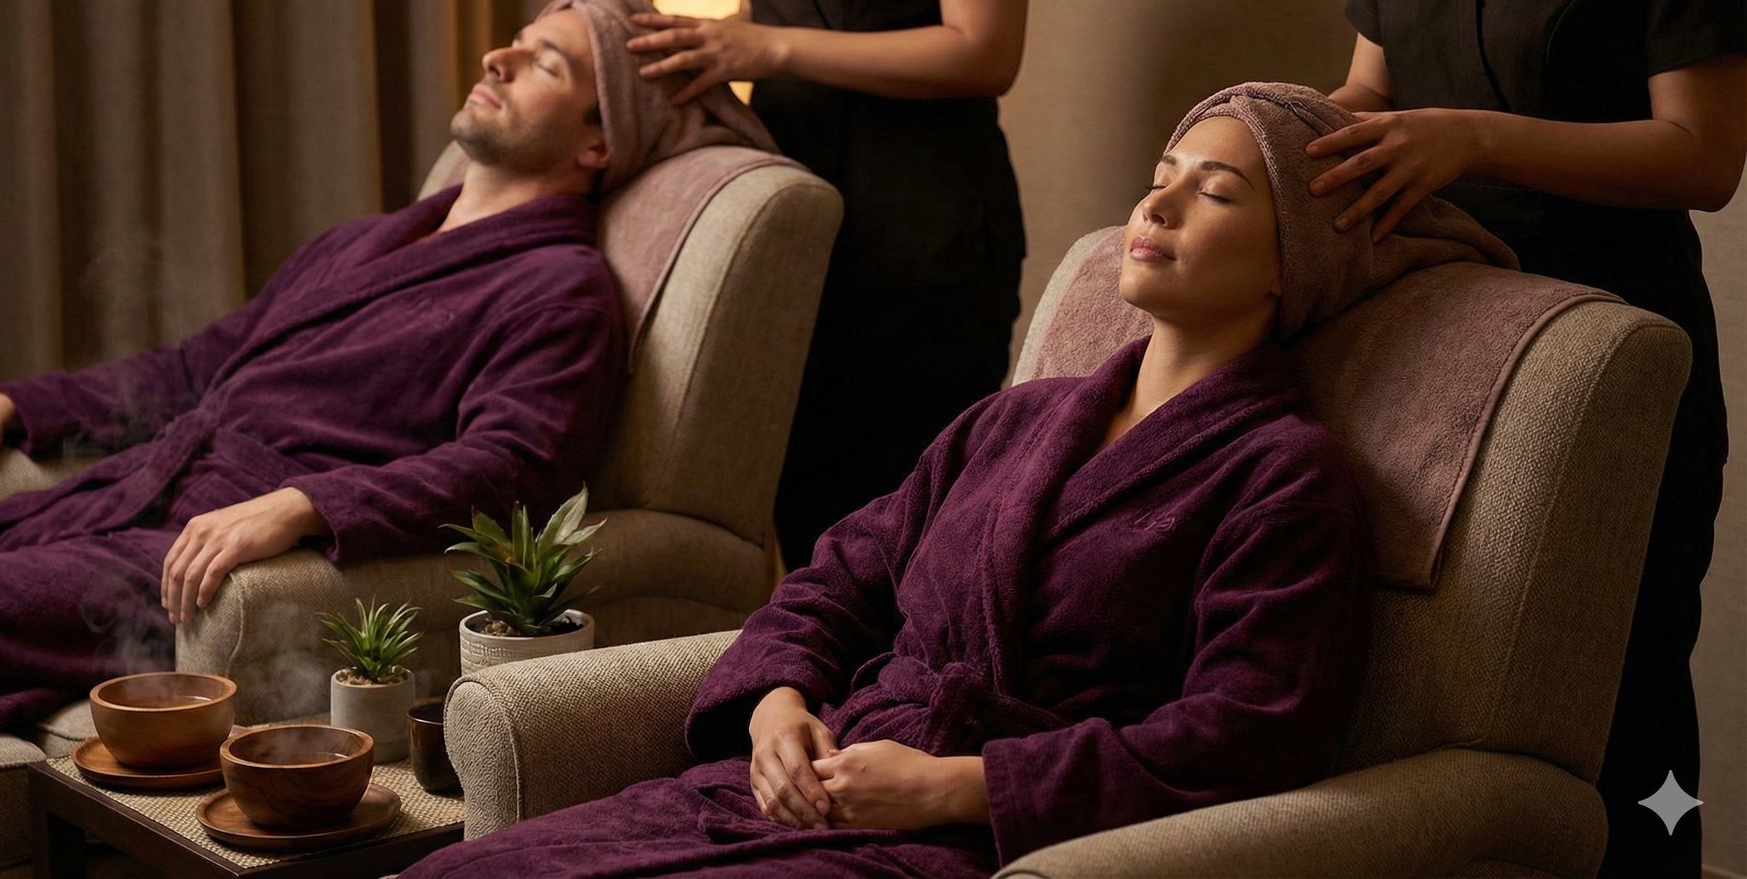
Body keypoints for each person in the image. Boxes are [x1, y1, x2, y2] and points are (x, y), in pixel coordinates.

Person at [399, 83, 1520, 879]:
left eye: (1215, 193)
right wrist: (777, 707)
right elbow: (840, 573)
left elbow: (1248, 735)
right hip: (805, 784)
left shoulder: (1287, 481)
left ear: (1293, 262)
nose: (1158, 207)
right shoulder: (1015, 419)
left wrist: (959, 786)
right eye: (1158, 180)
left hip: (972, 837)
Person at [0, 0, 775, 738]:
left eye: (546, 63)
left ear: (600, 139)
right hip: (125, 490)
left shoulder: (560, 291)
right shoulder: (365, 241)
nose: (499, 56)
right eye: (517, 42)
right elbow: (198, 364)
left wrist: (306, 504)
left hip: (192, 550)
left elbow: (514, 467)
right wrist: (13, 405)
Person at [1316, 0, 1746, 871]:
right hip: (1439, 347)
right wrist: (1258, 135)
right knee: (1451, 699)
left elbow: (1704, 155)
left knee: (1625, 700)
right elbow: (1369, 91)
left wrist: (1478, 138)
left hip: (1610, 356)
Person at [624, 0, 1036, 569]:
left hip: (920, 242)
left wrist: (772, 49)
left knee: (902, 542)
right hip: (794, 237)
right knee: (810, 534)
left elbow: (985, 48)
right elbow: (759, 9)